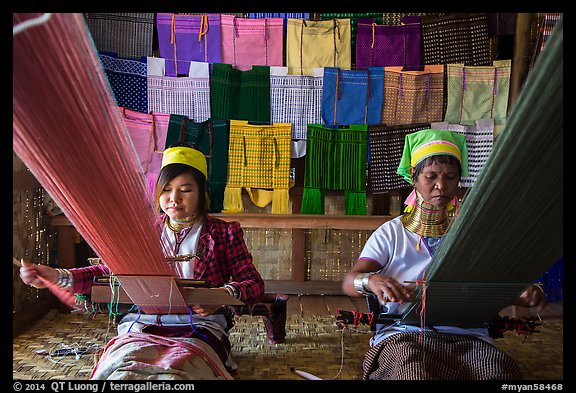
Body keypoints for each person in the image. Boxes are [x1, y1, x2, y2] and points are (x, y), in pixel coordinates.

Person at [19, 143, 265, 379]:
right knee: (124, 368)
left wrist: (219, 298)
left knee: (179, 369)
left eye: (186, 190)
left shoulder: (224, 233)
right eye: (166, 189)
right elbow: (109, 272)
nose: (174, 198)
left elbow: (253, 283)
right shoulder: (145, 232)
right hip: (141, 324)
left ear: (202, 192)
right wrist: (57, 276)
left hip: (200, 325)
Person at [342, 129, 547, 380]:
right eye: (431, 176)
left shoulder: (473, 233)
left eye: (450, 177)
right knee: (412, 372)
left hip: (469, 336)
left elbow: (495, 286)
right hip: (404, 333)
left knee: (496, 371)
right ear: (413, 179)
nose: (441, 185)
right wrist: (370, 280)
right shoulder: (392, 233)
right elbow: (349, 282)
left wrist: (523, 296)